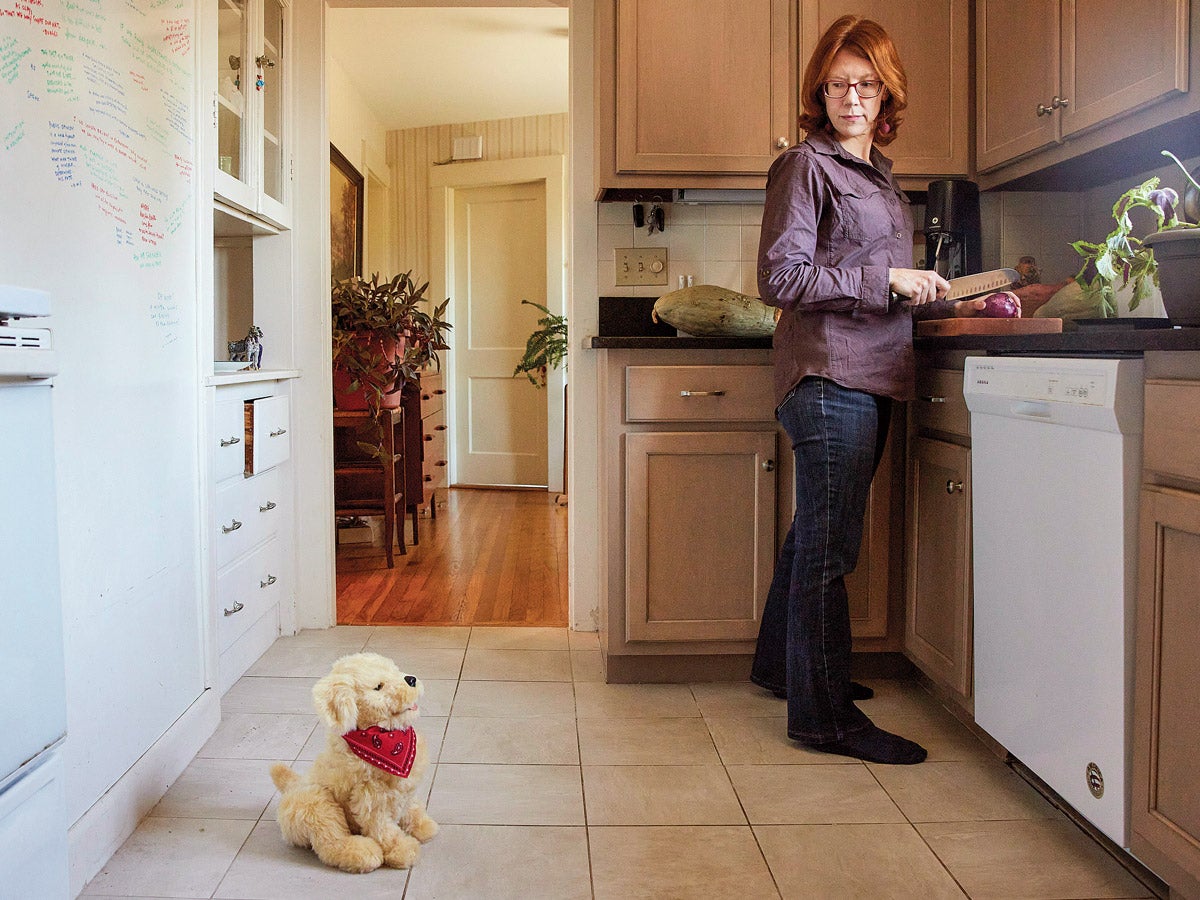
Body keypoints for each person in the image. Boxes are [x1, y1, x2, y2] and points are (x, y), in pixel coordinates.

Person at [749, 14, 990, 765]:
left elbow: (882, 284)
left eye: (866, 83)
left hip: (870, 371)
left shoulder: (880, 177)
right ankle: (824, 719)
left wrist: (943, 294)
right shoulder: (806, 167)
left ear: (887, 93)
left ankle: (781, 670)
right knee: (831, 545)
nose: (851, 96)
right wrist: (885, 278)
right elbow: (780, 278)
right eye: (837, 83)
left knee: (815, 535)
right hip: (828, 373)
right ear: (818, 91)